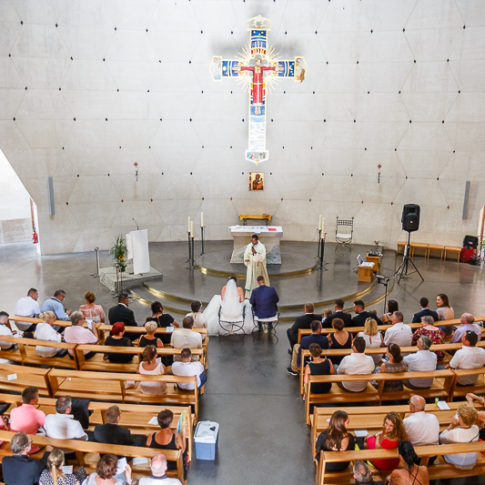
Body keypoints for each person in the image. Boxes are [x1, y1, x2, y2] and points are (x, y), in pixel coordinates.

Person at [439, 404, 480, 469]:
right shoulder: (476, 428)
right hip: (471, 460)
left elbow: (441, 438)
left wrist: (452, 425)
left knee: (440, 441)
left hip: (458, 461)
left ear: (460, 418)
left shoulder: (454, 433)